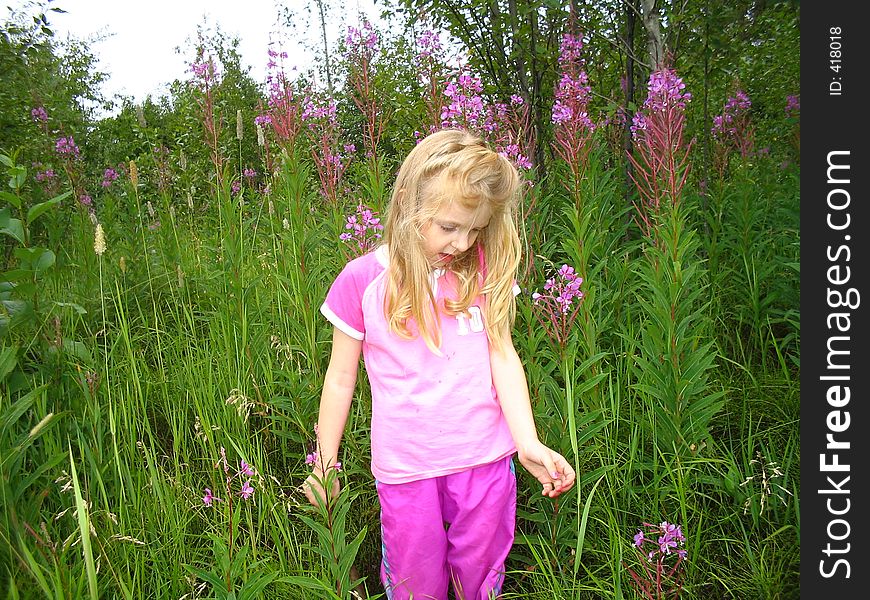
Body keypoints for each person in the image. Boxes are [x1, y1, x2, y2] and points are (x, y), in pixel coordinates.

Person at [303, 128, 576, 599]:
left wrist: (527, 441)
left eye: (475, 229)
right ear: (410, 204)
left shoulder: (482, 270)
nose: (463, 242)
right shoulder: (363, 281)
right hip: (406, 467)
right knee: (415, 581)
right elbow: (341, 377)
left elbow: (502, 355)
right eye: (449, 227)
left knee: (480, 576)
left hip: (486, 460)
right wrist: (326, 461)